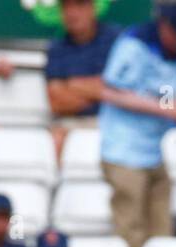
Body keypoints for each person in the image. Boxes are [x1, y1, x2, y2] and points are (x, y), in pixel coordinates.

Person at [99, 0, 176, 247]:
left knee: (162, 235)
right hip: (123, 152)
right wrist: (170, 109)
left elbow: (162, 94)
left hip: (153, 152)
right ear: (166, 24)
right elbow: (112, 92)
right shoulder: (133, 44)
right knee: (131, 236)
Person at [45, 0, 120, 149]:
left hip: (112, 121)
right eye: (66, 6)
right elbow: (57, 102)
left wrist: (73, 85)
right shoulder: (57, 47)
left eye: (79, 5)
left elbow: (122, 88)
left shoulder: (117, 39)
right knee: (54, 139)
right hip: (72, 122)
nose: (72, 13)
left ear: (92, 8)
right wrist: (101, 91)